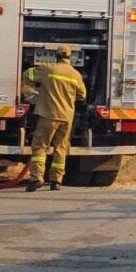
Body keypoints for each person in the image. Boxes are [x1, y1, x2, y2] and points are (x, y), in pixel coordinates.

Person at [21, 46, 86, 192]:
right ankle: (56, 181)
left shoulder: (48, 69)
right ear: (70, 57)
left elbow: (27, 73)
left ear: (56, 56)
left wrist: (33, 89)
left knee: (40, 146)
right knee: (61, 148)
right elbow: (82, 96)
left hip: (48, 115)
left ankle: (37, 178)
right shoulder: (76, 75)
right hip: (67, 117)